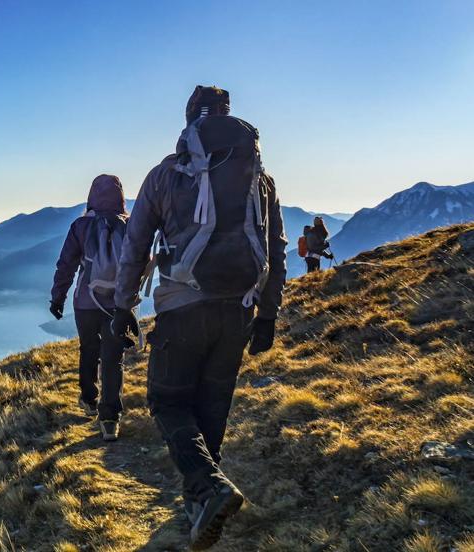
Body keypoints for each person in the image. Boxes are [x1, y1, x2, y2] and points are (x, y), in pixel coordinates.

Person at [111, 86, 287, 550]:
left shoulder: (166, 174)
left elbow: (136, 245)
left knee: (168, 402)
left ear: (189, 121)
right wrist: (268, 314)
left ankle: (209, 490)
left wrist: (124, 306)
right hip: (239, 309)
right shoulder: (259, 178)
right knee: (212, 405)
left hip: (182, 307)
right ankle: (200, 507)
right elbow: (276, 248)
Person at [50, 174, 128, 442]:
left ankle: (89, 399)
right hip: (119, 303)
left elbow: (66, 265)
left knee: (89, 349)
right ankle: (110, 419)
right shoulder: (129, 226)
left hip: (86, 302)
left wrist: (57, 298)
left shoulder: (81, 226)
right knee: (113, 358)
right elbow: (139, 262)